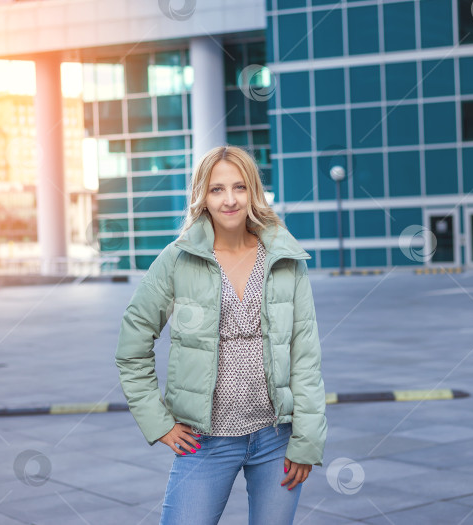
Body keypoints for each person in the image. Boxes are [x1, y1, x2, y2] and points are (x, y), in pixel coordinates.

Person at [115, 145, 327, 525]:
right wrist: (158, 421)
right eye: (217, 189)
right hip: (204, 442)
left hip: (277, 438)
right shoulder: (177, 260)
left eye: (239, 187)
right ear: (202, 196)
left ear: (253, 192)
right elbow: (133, 345)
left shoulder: (285, 259)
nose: (230, 200)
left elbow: (305, 355)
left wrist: (306, 439)